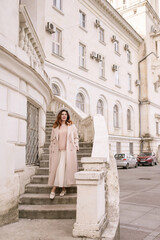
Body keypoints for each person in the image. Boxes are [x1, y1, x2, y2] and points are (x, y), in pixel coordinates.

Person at [48, 108, 79, 199]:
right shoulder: (55, 127)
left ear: (67, 116)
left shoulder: (72, 126)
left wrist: (76, 146)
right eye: (62, 114)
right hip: (58, 152)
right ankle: (60, 189)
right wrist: (52, 148)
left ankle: (56, 190)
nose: (64, 116)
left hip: (69, 151)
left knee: (64, 170)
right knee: (59, 169)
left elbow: (76, 137)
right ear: (59, 116)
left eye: (65, 114)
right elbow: (52, 140)